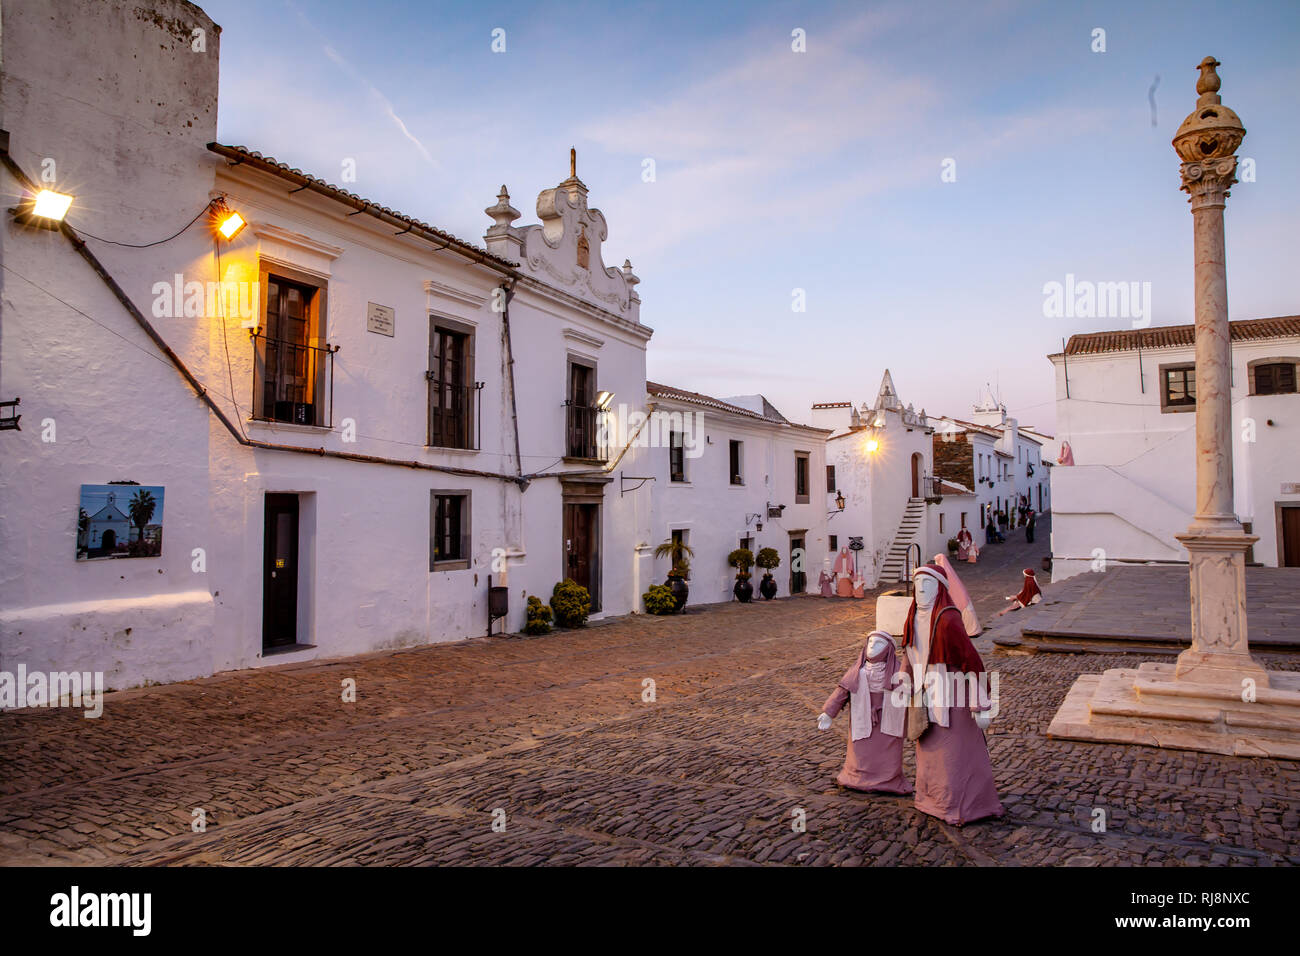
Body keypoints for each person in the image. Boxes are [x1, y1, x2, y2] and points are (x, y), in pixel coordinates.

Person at [900, 564, 1003, 826]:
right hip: (925, 695)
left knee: (956, 754)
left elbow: (970, 661)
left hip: (952, 696)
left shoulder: (948, 619)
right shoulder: (912, 617)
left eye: (928, 583)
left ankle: (963, 806)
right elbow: (909, 652)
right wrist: (903, 678)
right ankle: (931, 801)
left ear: (940, 588)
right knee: (929, 750)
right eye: (917, 583)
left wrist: (979, 703)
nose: (921, 588)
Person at [816, 631, 911, 794]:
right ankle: (856, 777)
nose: (873, 646)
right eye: (871, 642)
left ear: (888, 649)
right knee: (861, 749)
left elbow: (910, 692)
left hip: (888, 720)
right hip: (862, 716)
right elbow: (842, 691)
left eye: (879, 644)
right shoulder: (857, 672)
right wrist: (829, 712)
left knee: (887, 751)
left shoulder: (898, 672)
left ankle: (888, 779)